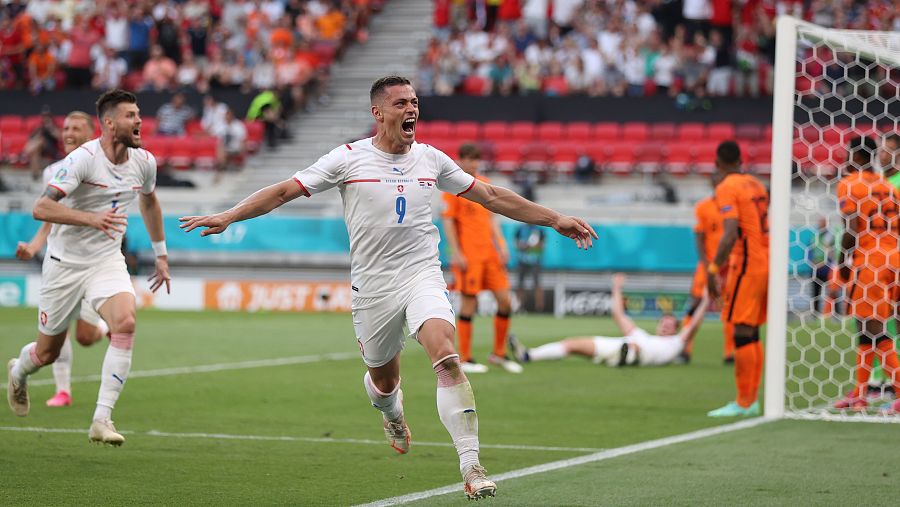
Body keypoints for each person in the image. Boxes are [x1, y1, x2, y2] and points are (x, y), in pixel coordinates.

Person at [179, 75, 597, 499]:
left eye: (414, 101)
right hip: (373, 287)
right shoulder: (347, 159)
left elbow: (489, 196)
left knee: (446, 356)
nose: (411, 109)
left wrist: (554, 217)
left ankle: (471, 466)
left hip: (421, 274)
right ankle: (392, 412)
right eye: (401, 103)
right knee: (383, 380)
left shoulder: (431, 160)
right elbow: (286, 190)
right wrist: (229, 215)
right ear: (378, 113)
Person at [6, 90, 172, 446]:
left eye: (139, 114)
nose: (139, 120)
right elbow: (41, 208)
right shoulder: (82, 160)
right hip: (64, 266)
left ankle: (102, 418)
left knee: (125, 322)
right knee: (45, 354)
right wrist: (90, 219)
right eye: (130, 115)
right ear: (109, 123)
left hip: (106, 261)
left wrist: (160, 254)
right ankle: (18, 373)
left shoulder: (144, 162)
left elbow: (150, 202)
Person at [15, 111, 109, 408]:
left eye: (76, 128)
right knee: (57, 333)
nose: (68, 132)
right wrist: (33, 247)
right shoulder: (53, 170)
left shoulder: (105, 167)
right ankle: (63, 390)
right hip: (59, 261)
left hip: (93, 262)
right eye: (65, 127)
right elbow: (48, 219)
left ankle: (105, 329)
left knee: (85, 336)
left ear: (91, 133)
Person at [832, 136, 900, 412]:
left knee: (874, 329)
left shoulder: (850, 184)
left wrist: (842, 262)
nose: (845, 161)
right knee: (865, 329)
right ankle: (860, 393)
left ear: (858, 158)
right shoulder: (887, 186)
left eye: (849, 155)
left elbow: (851, 229)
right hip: (893, 259)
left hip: (869, 261)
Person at [509, 273, 709, 367]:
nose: (666, 326)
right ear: (658, 325)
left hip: (639, 351)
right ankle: (528, 355)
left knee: (636, 349)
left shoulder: (677, 342)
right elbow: (618, 314)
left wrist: (707, 300)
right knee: (572, 344)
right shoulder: (640, 334)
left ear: (676, 329)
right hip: (621, 345)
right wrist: (616, 287)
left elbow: (695, 324)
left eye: (670, 324)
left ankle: (627, 358)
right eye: (663, 322)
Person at [442, 143, 521, 374]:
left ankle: (498, 354)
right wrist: (456, 252)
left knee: (505, 301)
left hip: (490, 255)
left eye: (477, 159)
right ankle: (465, 357)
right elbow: (448, 222)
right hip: (470, 256)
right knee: (469, 303)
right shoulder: (453, 187)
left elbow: (491, 218)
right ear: (461, 160)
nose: (474, 163)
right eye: (470, 159)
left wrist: (502, 244)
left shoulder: (483, 184)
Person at [706, 141, 768, 418]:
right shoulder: (756, 183)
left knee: (741, 331)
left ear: (718, 162)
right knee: (752, 331)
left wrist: (712, 269)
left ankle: (744, 401)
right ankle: (751, 399)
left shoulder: (726, 187)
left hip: (746, 265)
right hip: (766, 261)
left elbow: (730, 232)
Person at [686, 172, 734, 363]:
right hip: (708, 264)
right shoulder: (703, 207)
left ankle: (729, 352)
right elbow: (699, 237)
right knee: (696, 303)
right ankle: (684, 348)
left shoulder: (734, 208)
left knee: (730, 308)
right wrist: (707, 266)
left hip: (730, 266)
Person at [514, 222, 545, 313]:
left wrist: (532, 246)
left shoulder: (539, 230)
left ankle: (539, 308)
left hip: (535, 260)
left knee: (537, 284)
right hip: (522, 260)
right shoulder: (520, 229)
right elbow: (516, 243)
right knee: (520, 284)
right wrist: (523, 246)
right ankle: (519, 307)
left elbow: (542, 245)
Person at [809, 217, 834, 314]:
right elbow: (810, 251)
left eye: (823, 222)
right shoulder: (815, 236)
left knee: (832, 292)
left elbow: (833, 252)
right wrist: (812, 262)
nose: (820, 224)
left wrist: (824, 262)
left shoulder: (831, 236)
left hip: (827, 268)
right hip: (815, 269)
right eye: (819, 222)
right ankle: (814, 314)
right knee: (815, 293)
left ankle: (834, 315)